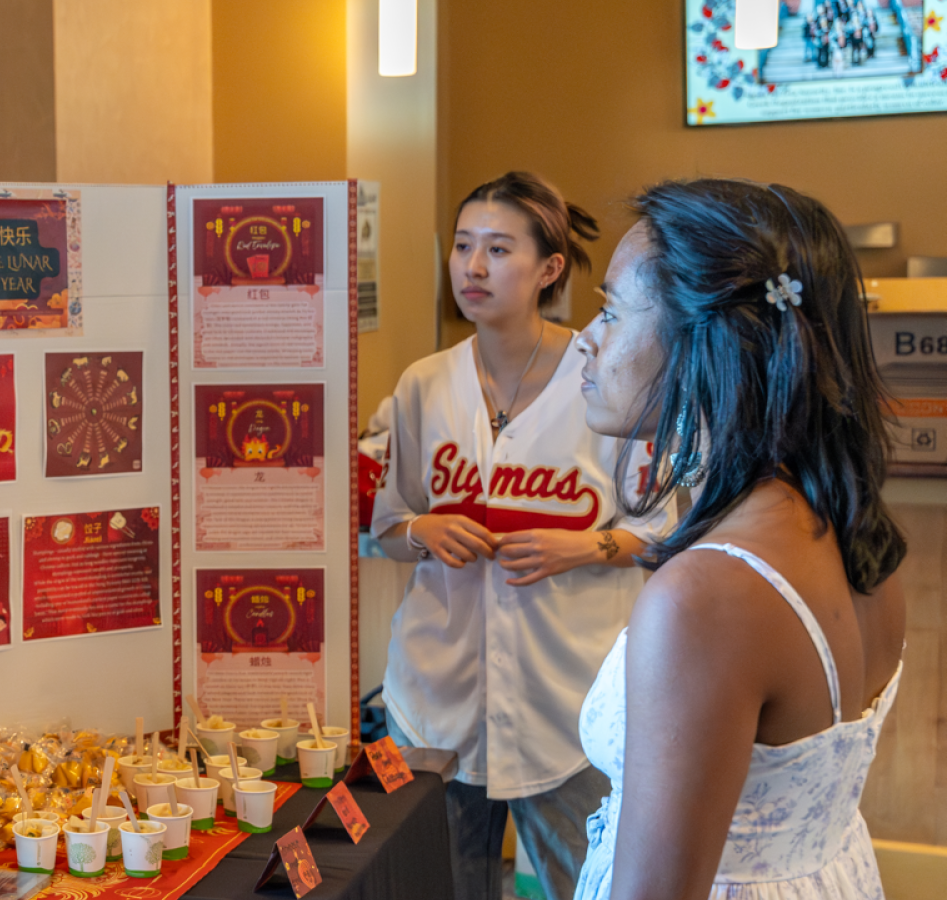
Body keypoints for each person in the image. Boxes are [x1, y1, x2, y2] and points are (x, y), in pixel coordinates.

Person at [573, 178, 907, 900]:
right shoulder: (858, 534)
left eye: (608, 310)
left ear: (706, 341)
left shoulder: (706, 597)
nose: (584, 339)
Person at [372, 172, 673, 900]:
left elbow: (665, 525)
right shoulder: (423, 384)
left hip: (567, 699)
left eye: (498, 249)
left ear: (549, 269)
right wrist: (423, 529)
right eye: (464, 246)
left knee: (590, 882)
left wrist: (586, 546)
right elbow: (387, 525)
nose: (473, 268)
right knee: (437, 886)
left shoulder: (606, 375)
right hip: (436, 696)